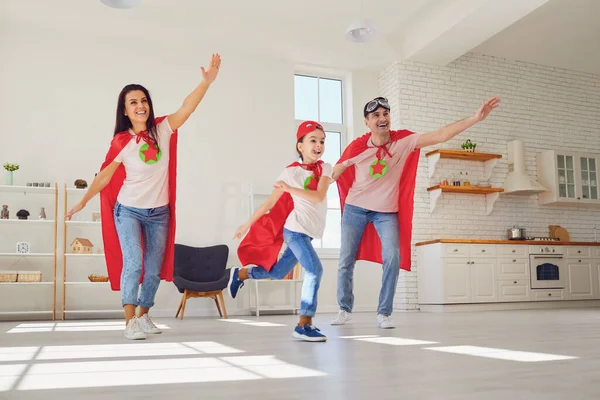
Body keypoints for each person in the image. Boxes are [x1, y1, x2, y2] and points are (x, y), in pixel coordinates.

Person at [65, 53, 222, 340]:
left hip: (159, 213)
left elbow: (187, 108)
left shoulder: (162, 128)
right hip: (129, 211)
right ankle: (129, 322)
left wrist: (206, 83)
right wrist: (84, 200)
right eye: (133, 102)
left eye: (144, 100)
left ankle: (144, 315)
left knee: (153, 270)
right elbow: (104, 176)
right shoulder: (122, 141)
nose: (140, 106)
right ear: (125, 110)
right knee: (133, 263)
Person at [331, 96, 500, 328]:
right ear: (367, 122)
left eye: (385, 114)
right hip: (355, 208)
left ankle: (384, 312)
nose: (382, 119)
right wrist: (307, 184)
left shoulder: (403, 141)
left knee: (392, 256)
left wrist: (475, 118)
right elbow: (333, 174)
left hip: (385, 212)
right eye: (376, 116)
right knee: (346, 258)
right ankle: (344, 309)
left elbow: (440, 135)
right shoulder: (357, 147)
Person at [229, 121, 333, 342]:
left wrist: (290, 189)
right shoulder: (289, 172)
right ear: (300, 146)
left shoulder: (325, 168)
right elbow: (268, 205)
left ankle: (242, 274)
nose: (318, 145)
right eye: (312, 140)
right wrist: (246, 224)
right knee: (315, 270)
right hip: (294, 231)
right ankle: (304, 324)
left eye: (322, 141)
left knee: (276, 273)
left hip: (307, 233)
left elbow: (318, 196)